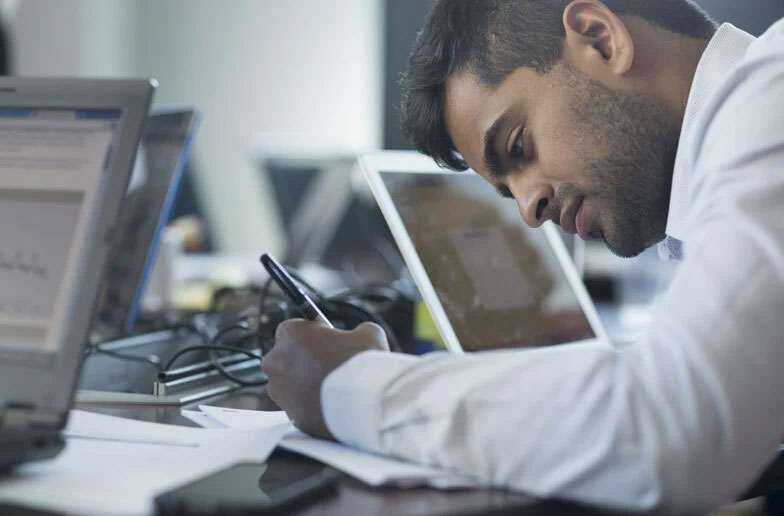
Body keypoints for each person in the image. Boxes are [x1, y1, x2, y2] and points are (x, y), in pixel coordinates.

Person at [261, 0, 784, 512]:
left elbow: (675, 433)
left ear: (601, 38)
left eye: (518, 146)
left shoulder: (771, 94)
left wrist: (348, 387)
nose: (530, 210)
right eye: (508, 192)